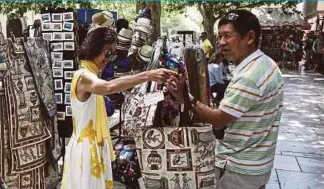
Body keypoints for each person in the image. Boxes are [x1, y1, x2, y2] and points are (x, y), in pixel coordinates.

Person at [167, 10, 283, 189]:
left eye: (227, 36)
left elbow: (219, 120)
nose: (221, 43)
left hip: (239, 168)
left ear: (250, 37)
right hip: (257, 164)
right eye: (219, 36)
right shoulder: (266, 64)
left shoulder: (249, 76)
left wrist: (186, 98)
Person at [61, 27, 176, 189]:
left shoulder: (91, 74)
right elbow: (107, 87)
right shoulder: (83, 76)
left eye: (112, 54)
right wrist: (147, 75)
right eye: (107, 53)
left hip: (92, 146)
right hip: (86, 150)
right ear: (94, 48)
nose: (109, 59)